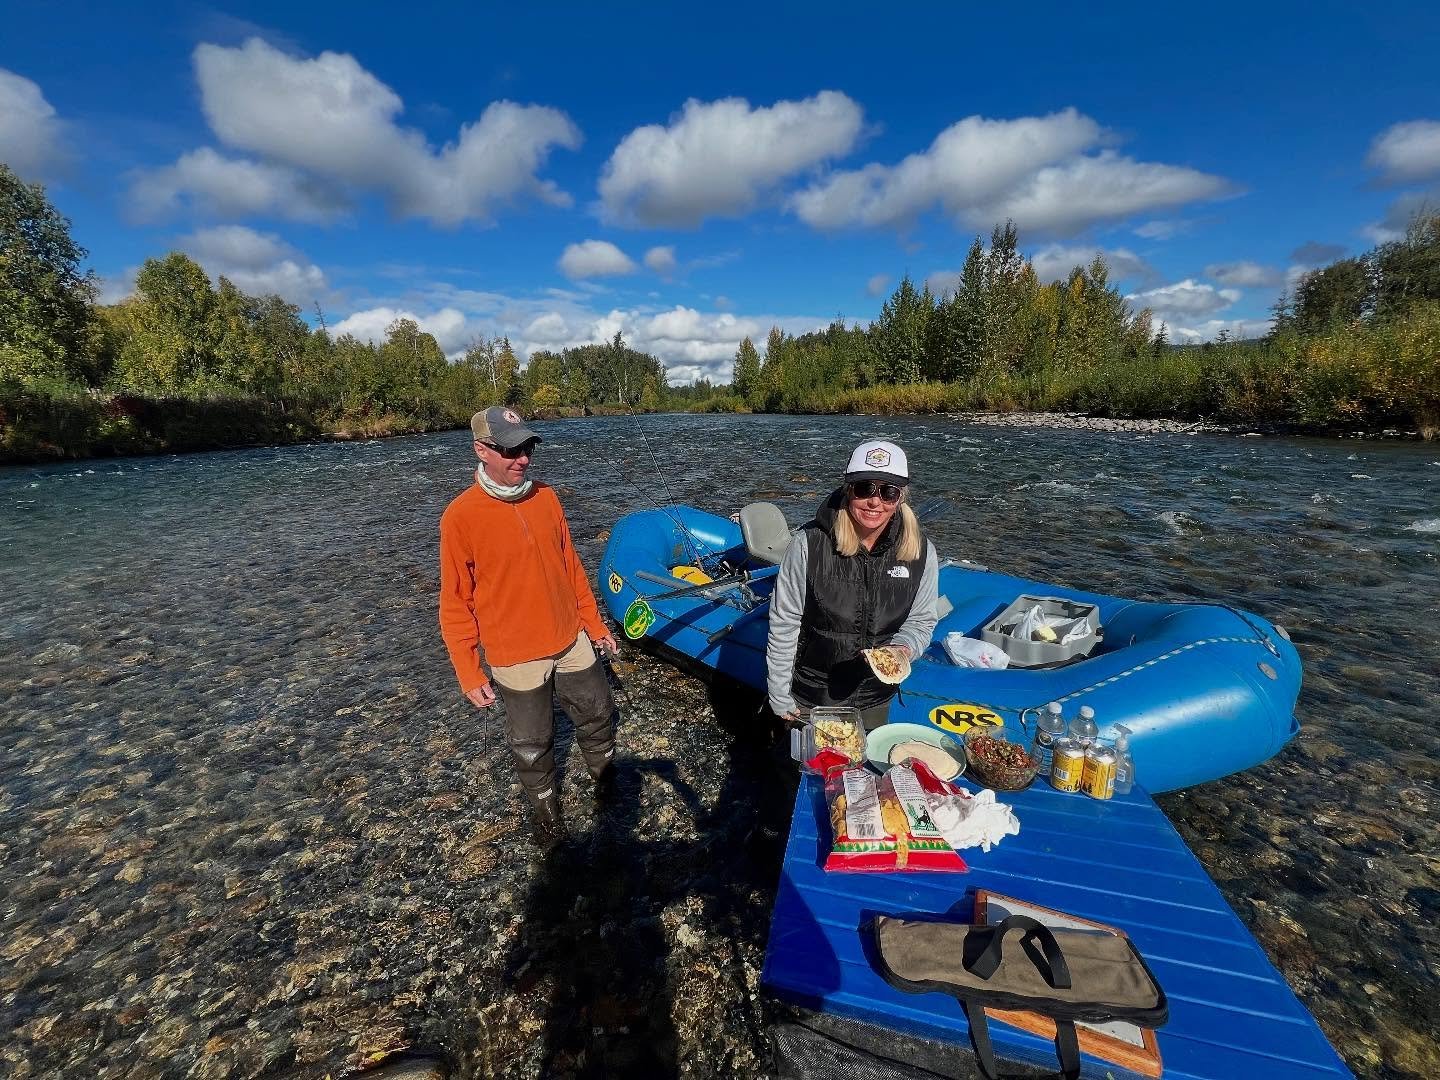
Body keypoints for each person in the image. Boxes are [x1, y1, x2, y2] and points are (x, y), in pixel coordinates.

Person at [439, 406, 619, 852]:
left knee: (599, 715)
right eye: (510, 450)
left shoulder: (547, 497)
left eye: (527, 447)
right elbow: (455, 602)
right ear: (481, 450)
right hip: (515, 654)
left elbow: (571, 567)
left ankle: (607, 789)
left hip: (571, 638)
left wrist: (595, 626)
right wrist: (468, 671)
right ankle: (547, 818)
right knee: (533, 744)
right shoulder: (459, 517)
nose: (522, 459)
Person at [766, 439, 939, 731]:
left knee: (863, 772)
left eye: (888, 492)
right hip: (812, 694)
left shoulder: (921, 552)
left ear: (900, 498)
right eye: (865, 488)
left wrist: (904, 648)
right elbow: (785, 622)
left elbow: (921, 621)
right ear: (848, 490)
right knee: (803, 772)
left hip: (875, 696)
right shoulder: (809, 544)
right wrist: (779, 693)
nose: (875, 501)